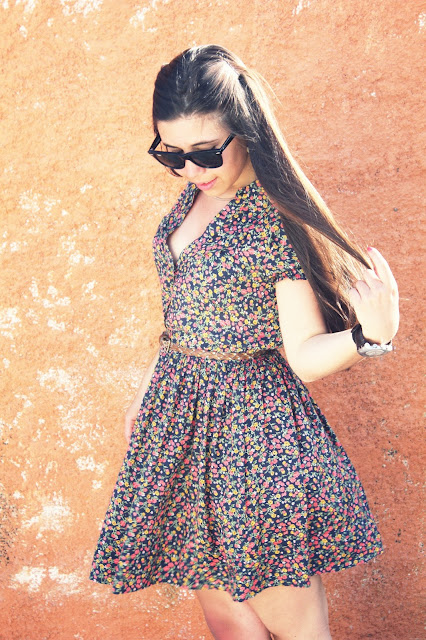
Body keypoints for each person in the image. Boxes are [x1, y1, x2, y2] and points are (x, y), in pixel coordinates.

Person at [89, 45, 399, 640]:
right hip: (183, 425)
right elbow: (182, 312)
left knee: (295, 625)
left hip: (250, 437)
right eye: (171, 154)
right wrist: (148, 389)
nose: (190, 168)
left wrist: (368, 337)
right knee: (228, 620)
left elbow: (304, 354)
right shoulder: (200, 191)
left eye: (206, 151)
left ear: (245, 129)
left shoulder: (272, 219)